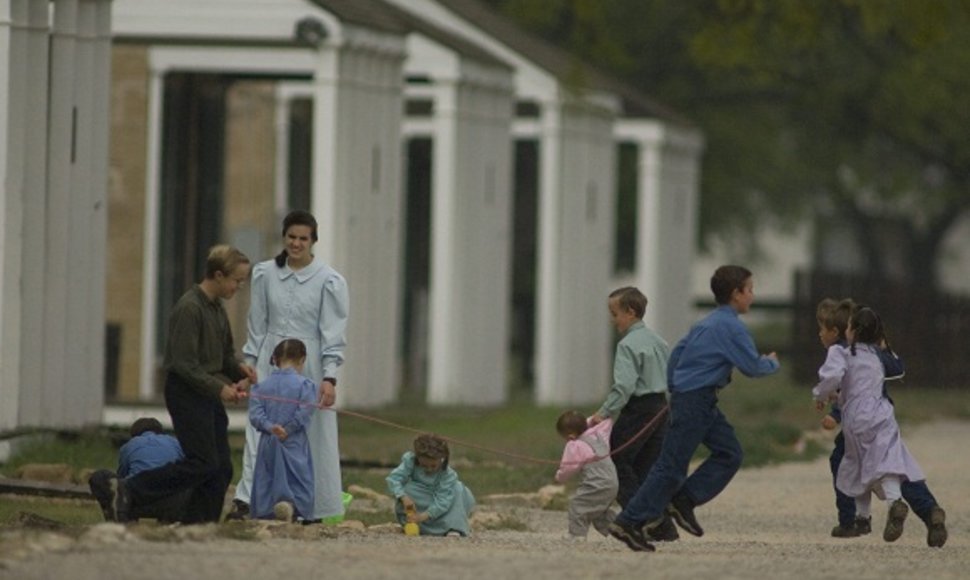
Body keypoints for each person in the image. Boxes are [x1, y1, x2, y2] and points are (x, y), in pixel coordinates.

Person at [609, 265, 780, 552]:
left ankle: (683, 500)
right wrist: (772, 362)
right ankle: (629, 521)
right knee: (670, 466)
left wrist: (674, 387)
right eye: (749, 290)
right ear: (735, 293)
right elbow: (752, 367)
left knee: (729, 452)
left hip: (697, 398)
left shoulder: (707, 322)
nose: (752, 295)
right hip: (695, 400)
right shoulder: (732, 328)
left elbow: (677, 353)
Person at [93, 245, 255, 523]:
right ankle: (129, 490)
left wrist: (239, 369)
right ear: (218, 275)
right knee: (200, 462)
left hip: (208, 394)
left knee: (221, 468)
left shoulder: (216, 309)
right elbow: (184, 365)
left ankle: (199, 524)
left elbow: (223, 355)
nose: (239, 287)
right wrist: (221, 388)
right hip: (187, 393)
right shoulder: (189, 308)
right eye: (236, 280)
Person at [230, 210, 349, 524]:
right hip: (272, 359)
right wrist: (250, 366)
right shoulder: (265, 273)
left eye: (303, 238)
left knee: (310, 431)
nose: (296, 243)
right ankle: (250, 499)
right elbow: (256, 325)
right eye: (291, 237)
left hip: (307, 362)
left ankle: (310, 505)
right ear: (284, 238)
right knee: (262, 428)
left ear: (313, 241)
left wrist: (329, 377)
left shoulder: (328, 280)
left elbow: (333, 333)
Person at [816, 299, 947, 547]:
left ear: (839, 331)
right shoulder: (872, 352)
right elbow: (893, 369)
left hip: (859, 424)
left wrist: (833, 410)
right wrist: (886, 348)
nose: (819, 334)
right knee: (899, 467)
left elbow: (843, 385)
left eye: (822, 328)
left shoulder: (844, 352)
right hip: (881, 418)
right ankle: (930, 512)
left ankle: (853, 521)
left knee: (853, 464)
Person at [590, 286, 677, 541]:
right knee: (645, 468)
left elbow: (625, 386)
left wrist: (603, 413)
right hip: (662, 408)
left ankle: (639, 518)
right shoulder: (659, 341)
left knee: (616, 459)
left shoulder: (627, 345)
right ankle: (663, 528)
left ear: (630, 311)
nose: (612, 319)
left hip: (640, 409)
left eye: (614, 313)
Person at [248, 339, 318, 522]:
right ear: (302, 360)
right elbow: (304, 412)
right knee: (298, 477)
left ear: (276, 359)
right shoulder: (306, 386)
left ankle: (268, 510)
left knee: (268, 477)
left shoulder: (261, 387)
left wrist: (272, 427)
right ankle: (293, 509)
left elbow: (255, 415)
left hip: (269, 441)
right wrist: (288, 429)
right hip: (293, 441)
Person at [89, 417, 188, 522]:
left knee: (100, 477)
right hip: (171, 501)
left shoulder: (129, 446)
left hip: (135, 502)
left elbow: (122, 478)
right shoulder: (175, 443)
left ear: (134, 435)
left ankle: (121, 518)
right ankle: (172, 521)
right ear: (160, 432)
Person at [386, 434, 476, 537]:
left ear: (442, 458)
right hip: (421, 500)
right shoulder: (410, 461)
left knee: (458, 488)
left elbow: (443, 501)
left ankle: (453, 527)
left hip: (440, 508)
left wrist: (422, 516)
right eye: (424, 465)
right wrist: (404, 497)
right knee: (407, 488)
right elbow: (393, 479)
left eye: (433, 466)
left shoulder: (448, 475)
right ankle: (415, 524)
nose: (429, 469)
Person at [554, 411, 621, 542]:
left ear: (570, 435)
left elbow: (568, 467)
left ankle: (577, 535)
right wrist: (591, 420)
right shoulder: (599, 434)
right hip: (612, 482)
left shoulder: (575, 445)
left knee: (578, 505)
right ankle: (620, 531)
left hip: (596, 483)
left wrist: (559, 477)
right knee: (598, 511)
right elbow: (606, 422)